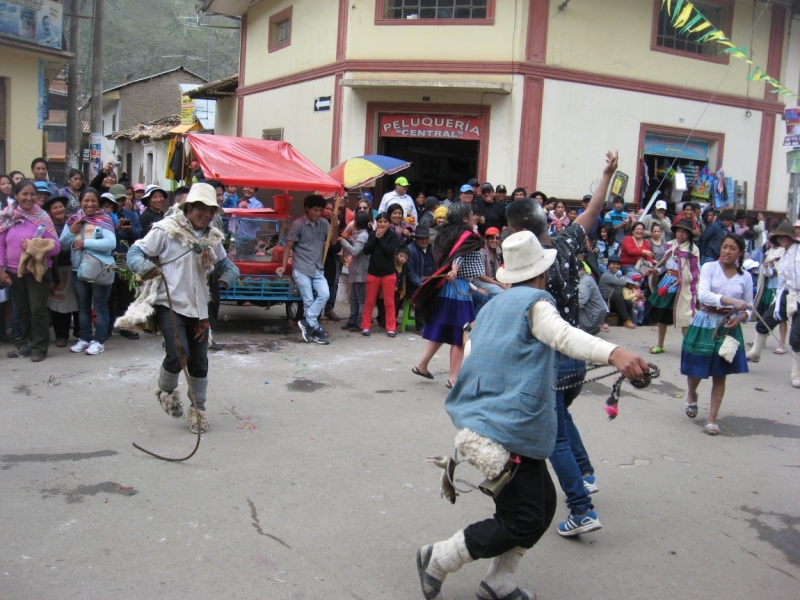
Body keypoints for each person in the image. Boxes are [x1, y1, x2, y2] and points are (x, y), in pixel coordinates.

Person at [416, 231, 648, 600]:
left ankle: (499, 582)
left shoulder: (492, 306)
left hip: (489, 420)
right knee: (522, 517)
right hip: (510, 428)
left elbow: (477, 352)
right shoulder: (536, 303)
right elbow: (564, 336)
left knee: (542, 505)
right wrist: (615, 353)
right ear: (542, 273)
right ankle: (439, 558)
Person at [506, 151, 618, 536]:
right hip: (575, 355)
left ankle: (581, 508)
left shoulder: (528, 265)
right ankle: (586, 473)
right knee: (563, 418)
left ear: (517, 230)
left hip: (550, 358)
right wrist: (606, 175)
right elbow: (592, 211)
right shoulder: (567, 241)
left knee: (553, 436)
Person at [119, 183, 239, 433]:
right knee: (178, 350)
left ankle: (198, 411)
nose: (206, 215)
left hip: (200, 307)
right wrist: (144, 267)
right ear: (189, 208)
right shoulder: (166, 230)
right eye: (201, 209)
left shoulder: (212, 237)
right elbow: (135, 252)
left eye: (210, 210)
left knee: (200, 361)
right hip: (170, 302)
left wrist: (227, 275)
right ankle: (165, 389)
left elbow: (226, 264)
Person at [681, 234, 753, 435]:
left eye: (732, 248)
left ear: (740, 253)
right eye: (724, 247)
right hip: (705, 322)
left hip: (729, 326)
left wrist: (739, 318)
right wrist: (732, 301)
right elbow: (703, 295)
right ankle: (691, 394)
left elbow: (749, 305)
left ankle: (712, 419)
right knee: (696, 370)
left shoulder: (745, 277)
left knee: (720, 374)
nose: (727, 251)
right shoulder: (710, 268)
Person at [412, 203, 482, 387]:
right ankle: (453, 378)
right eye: (472, 215)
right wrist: (455, 269)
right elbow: (458, 255)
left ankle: (422, 365)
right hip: (457, 286)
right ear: (465, 219)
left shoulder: (448, 234)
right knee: (461, 332)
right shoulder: (466, 236)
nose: (475, 218)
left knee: (443, 329)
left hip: (447, 288)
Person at [0, 180, 61, 361]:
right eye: (24, 194)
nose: (29, 197)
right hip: (13, 272)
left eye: (32, 194)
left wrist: (33, 247)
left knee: (37, 310)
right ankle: (25, 345)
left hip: (37, 272)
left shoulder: (42, 217)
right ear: (16, 196)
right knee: (22, 310)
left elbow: (56, 247)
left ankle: (40, 348)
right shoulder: (7, 216)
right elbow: (1, 244)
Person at [60, 188, 117, 356]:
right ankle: (84, 338)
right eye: (86, 201)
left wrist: (85, 243)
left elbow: (111, 243)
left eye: (93, 201)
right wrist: (72, 231)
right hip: (78, 270)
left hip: (99, 269)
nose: (89, 204)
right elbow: (61, 245)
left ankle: (99, 341)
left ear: (98, 203)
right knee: (83, 308)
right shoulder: (74, 219)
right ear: (80, 201)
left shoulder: (103, 219)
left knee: (100, 308)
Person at [747, 222, 800, 388]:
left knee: (796, 337)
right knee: (765, 321)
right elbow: (781, 278)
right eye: (779, 237)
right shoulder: (782, 254)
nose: (782, 239)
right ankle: (755, 353)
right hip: (786, 293)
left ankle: (796, 373)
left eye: (785, 236)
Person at [277, 194, 330, 345]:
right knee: (308, 300)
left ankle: (307, 323)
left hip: (318, 268)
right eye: (315, 210)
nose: (318, 213)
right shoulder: (297, 224)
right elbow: (288, 247)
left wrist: (335, 223)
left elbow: (332, 241)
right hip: (301, 268)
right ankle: (316, 330)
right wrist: (283, 265)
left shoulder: (325, 224)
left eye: (320, 210)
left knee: (325, 294)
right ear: (307, 209)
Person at [647, 219, 700, 354]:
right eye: (678, 231)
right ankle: (660, 345)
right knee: (662, 316)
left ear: (689, 234)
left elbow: (694, 271)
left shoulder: (692, 250)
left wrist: (682, 279)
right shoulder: (671, 246)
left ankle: (689, 348)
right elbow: (664, 265)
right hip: (667, 282)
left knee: (684, 317)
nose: (680, 234)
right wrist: (655, 271)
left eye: (683, 232)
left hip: (682, 287)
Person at [107, 184, 142, 341]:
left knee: (127, 296)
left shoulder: (131, 215)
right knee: (109, 296)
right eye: (117, 200)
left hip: (126, 260)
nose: (120, 203)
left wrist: (129, 231)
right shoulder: (104, 215)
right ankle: (106, 327)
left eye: (122, 199)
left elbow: (140, 235)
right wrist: (116, 228)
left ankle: (125, 326)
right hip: (109, 261)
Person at [44, 194, 79, 347]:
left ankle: (80, 332)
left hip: (73, 267)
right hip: (56, 269)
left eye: (61, 206)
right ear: (49, 211)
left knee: (76, 302)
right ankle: (61, 335)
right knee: (59, 305)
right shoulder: (46, 228)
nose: (59, 209)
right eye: (55, 207)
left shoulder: (71, 223)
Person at [360, 212, 400, 337]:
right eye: (380, 221)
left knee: (389, 302)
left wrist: (381, 239)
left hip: (388, 273)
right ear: (377, 222)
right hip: (373, 273)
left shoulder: (393, 236)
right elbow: (366, 251)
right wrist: (375, 239)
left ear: (389, 223)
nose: (382, 224)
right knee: (369, 301)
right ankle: (365, 326)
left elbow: (390, 251)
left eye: (385, 222)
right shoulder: (372, 234)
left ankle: (391, 328)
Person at [750, 240, 786, 357]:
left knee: (782, 318)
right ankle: (758, 345)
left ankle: (782, 344)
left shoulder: (786, 252)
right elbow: (768, 273)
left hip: (785, 290)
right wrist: (766, 267)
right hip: (770, 287)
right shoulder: (768, 252)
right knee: (765, 316)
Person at [339, 211, 370, 332]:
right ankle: (352, 320)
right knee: (353, 297)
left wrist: (343, 241)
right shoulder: (360, 234)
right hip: (356, 270)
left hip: (361, 271)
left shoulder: (363, 236)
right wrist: (350, 239)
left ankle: (359, 322)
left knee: (360, 299)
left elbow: (355, 251)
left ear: (356, 222)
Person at [406, 225, 435, 333]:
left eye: (426, 238)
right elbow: (411, 273)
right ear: (416, 239)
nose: (424, 241)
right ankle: (421, 326)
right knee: (423, 295)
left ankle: (432, 324)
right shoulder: (410, 249)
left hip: (429, 282)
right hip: (415, 285)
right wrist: (422, 284)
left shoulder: (431, 249)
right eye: (421, 238)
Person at [321, 198, 344, 322]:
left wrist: (328, 245)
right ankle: (317, 312)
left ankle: (329, 308)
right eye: (327, 208)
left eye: (331, 209)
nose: (329, 211)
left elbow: (337, 245)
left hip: (330, 260)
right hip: (317, 260)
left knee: (332, 283)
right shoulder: (317, 223)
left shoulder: (334, 225)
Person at [600, 256, 636, 329]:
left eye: (618, 264)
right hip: (607, 303)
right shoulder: (606, 275)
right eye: (613, 264)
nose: (616, 266)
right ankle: (627, 320)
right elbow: (622, 283)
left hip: (614, 302)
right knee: (616, 296)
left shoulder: (615, 276)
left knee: (628, 303)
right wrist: (624, 278)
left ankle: (622, 323)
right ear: (608, 265)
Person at [473, 227, 507, 298]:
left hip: (492, 280)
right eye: (491, 238)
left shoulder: (498, 251)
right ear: (486, 239)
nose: (495, 241)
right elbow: (481, 276)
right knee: (502, 293)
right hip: (479, 281)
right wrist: (500, 284)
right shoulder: (481, 252)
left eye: (497, 238)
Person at [578, 263, 607, 335]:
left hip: (591, 319)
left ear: (582, 270)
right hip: (595, 316)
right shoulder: (586, 278)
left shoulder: (585, 281)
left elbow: (580, 302)